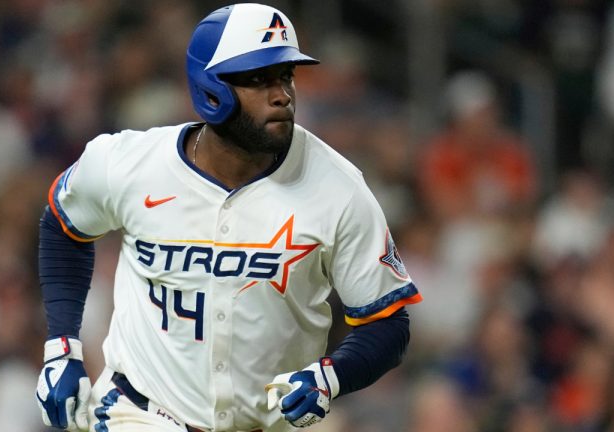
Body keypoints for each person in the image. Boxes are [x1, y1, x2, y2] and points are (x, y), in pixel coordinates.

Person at [35, 3, 422, 432]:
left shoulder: (338, 188)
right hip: (141, 412)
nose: (282, 94)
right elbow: (63, 223)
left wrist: (333, 375)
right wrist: (63, 345)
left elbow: (389, 323)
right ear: (210, 88)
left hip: (272, 424)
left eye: (286, 76)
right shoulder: (127, 162)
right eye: (258, 80)